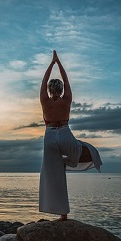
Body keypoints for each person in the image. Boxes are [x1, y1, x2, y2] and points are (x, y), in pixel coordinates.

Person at [39, 50, 102, 221]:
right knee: (82, 150)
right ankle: (70, 161)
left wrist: (51, 63)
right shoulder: (66, 100)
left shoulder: (44, 101)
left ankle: (62, 213)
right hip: (65, 133)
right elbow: (66, 81)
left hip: (50, 135)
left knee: (54, 175)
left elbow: (44, 81)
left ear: (50, 90)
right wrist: (59, 63)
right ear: (60, 89)